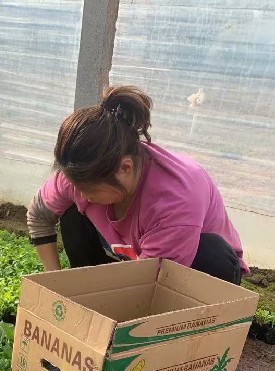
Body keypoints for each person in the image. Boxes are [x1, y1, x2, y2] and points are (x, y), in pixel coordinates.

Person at [26, 85, 248, 284]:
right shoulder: (82, 172)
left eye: (90, 190)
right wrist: (52, 281)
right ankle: (94, 291)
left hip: (194, 267)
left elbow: (149, 285)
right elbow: (39, 215)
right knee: (72, 212)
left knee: (212, 254)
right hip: (134, 257)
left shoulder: (174, 200)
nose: (82, 194)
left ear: (125, 168)